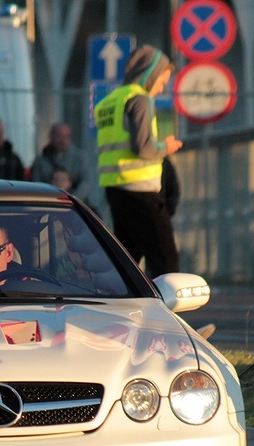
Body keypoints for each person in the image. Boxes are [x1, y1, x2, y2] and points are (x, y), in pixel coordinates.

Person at [93, 44, 182, 277]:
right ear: (150, 74)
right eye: (162, 81)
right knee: (166, 262)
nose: (162, 88)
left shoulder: (109, 102)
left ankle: (120, 308)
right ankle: (163, 312)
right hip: (141, 191)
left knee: (127, 263)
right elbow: (144, 147)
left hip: (115, 188)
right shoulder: (140, 100)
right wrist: (167, 147)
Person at [30, 122, 97, 209]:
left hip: (75, 207)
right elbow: (36, 185)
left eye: (66, 136)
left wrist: (72, 200)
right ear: (51, 137)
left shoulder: (79, 158)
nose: (63, 140)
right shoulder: (41, 160)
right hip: (49, 205)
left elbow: (86, 182)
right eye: (59, 136)